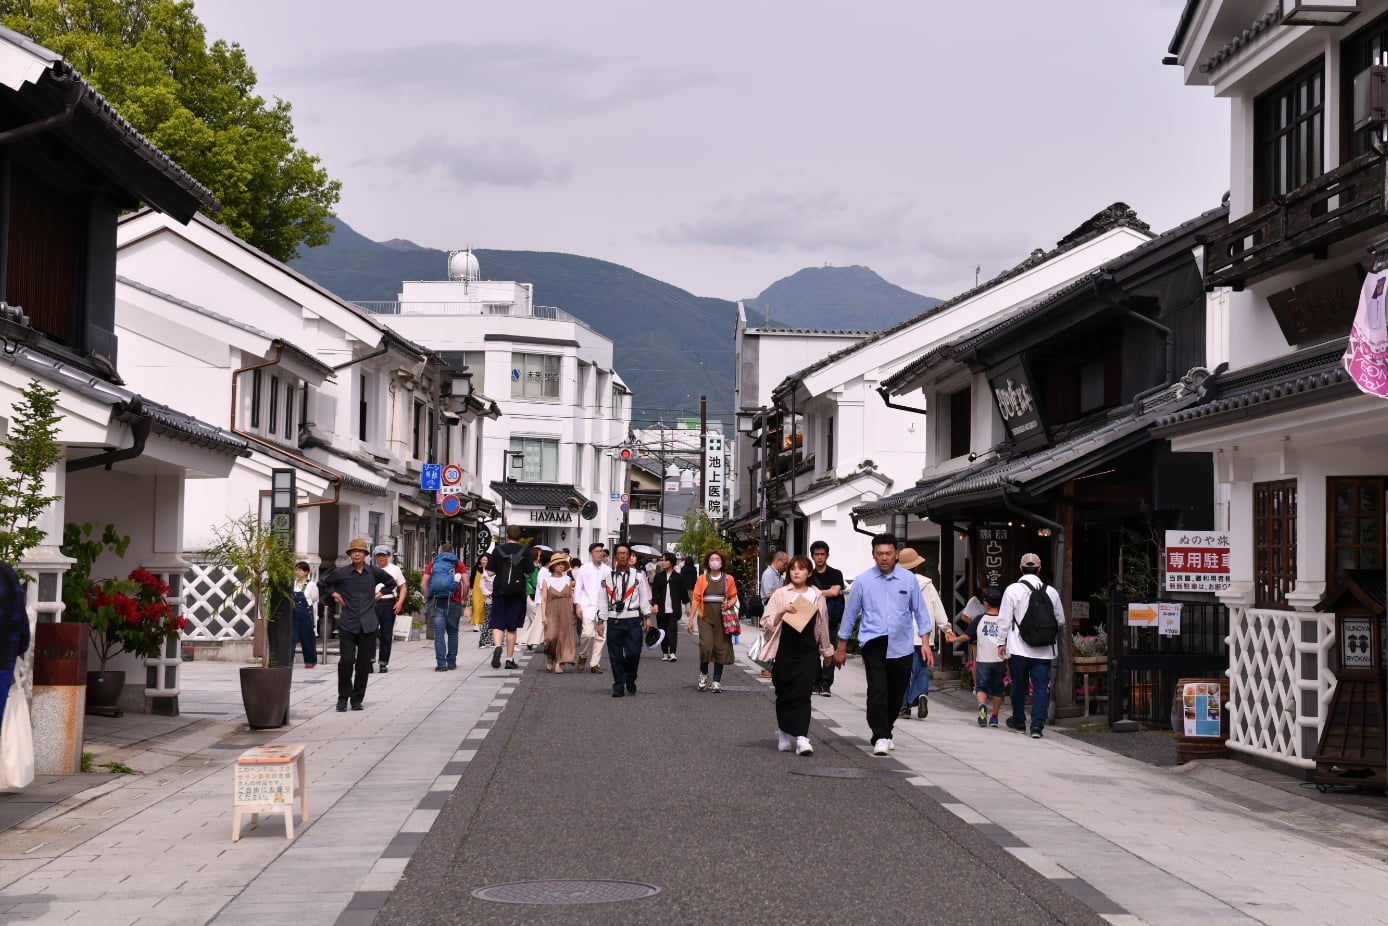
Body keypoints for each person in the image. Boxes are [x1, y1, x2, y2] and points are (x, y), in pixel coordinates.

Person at [833, 533, 932, 756]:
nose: (884, 558)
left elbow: (920, 611)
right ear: (873, 555)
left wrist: (925, 642)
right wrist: (841, 647)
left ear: (896, 554)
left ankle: (886, 730)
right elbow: (850, 614)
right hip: (873, 641)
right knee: (877, 690)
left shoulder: (908, 580)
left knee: (896, 692)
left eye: (888, 553)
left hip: (902, 643)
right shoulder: (863, 581)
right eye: (880, 554)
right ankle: (880, 735)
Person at [761, 555, 834, 756]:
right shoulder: (781, 593)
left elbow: (822, 626)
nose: (796, 572)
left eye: (801, 569)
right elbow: (765, 622)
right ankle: (784, 733)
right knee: (784, 692)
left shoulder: (817, 595)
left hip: (808, 651)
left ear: (809, 573)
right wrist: (781, 612)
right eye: (792, 568)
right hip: (785, 649)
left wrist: (827, 652)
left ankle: (802, 737)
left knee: (803, 693)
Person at [319, 537, 398, 712]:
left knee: (363, 664)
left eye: (360, 551)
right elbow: (322, 583)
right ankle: (342, 697)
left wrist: (380, 594)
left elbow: (391, 583)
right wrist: (336, 595)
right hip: (348, 623)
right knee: (346, 660)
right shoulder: (342, 573)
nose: (357, 554)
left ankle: (357, 699)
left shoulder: (374, 572)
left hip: (369, 623)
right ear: (350, 554)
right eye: (354, 551)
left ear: (365, 554)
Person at [999, 552, 1064, 739]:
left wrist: (1000, 642)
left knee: (1019, 685)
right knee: (1041, 687)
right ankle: (1037, 727)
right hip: (1043, 650)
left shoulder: (1012, 590)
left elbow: (1004, 620)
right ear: (1039, 568)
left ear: (1021, 568)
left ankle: (1019, 722)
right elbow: (1060, 619)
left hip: (1018, 647)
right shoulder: (1051, 592)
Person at [896, 547, 948, 720]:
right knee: (921, 669)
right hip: (924, 635)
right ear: (916, 566)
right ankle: (921, 694)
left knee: (902, 672)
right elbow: (937, 607)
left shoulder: (896, 583)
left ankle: (904, 707)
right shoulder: (927, 584)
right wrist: (946, 628)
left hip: (902, 635)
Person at [944, 586, 1005, 727]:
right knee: (997, 689)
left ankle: (982, 705)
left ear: (986, 603)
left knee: (981, 688)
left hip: (983, 659)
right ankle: (994, 717)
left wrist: (954, 640)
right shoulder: (1004, 620)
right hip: (999, 660)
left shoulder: (979, 619)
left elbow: (967, 636)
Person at [602, 542, 653, 697]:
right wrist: (600, 620)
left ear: (630, 556)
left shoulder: (638, 576)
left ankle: (630, 678)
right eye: (620, 553)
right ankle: (618, 685)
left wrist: (647, 616)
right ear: (615, 557)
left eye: (625, 553)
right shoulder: (608, 577)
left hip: (632, 620)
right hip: (614, 620)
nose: (622, 556)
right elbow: (602, 600)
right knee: (615, 655)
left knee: (633, 653)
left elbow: (644, 598)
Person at [688, 549, 739, 693]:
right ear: (708, 563)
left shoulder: (728, 579)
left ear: (722, 562)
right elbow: (696, 599)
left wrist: (729, 604)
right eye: (712, 559)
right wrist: (691, 618)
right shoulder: (702, 579)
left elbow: (734, 596)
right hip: (705, 616)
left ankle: (716, 680)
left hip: (722, 616)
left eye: (717, 559)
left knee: (720, 647)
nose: (714, 561)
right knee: (706, 646)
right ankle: (703, 674)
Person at [487, 525, 534, 670]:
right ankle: (509, 659)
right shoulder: (525, 551)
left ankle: (496, 646)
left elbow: (489, 573)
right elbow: (530, 572)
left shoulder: (498, 550)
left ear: (507, 535)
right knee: (512, 627)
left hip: (499, 592)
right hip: (517, 593)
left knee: (497, 623)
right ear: (519, 536)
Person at [421, 543, 470, 671]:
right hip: (454, 601)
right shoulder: (458, 564)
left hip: (436, 601)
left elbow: (423, 584)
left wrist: (428, 598)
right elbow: (466, 583)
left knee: (439, 634)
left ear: (440, 552)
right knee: (453, 632)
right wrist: (463, 598)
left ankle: (441, 664)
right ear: (453, 552)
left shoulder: (433, 564)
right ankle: (452, 662)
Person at [808, 540, 845, 697]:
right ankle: (815, 683)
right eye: (817, 554)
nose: (820, 557)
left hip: (831, 618)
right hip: (812, 618)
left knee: (828, 650)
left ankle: (826, 684)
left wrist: (816, 593)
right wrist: (825, 592)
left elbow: (835, 592)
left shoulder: (835, 574)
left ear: (827, 556)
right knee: (813, 652)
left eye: (822, 554)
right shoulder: (809, 574)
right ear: (812, 556)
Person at [573, 542, 610, 674]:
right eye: (597, 551)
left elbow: (610, 590)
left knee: (600, 636)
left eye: (601, 551)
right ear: (591, 553)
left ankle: (595, 663)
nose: (600, 554)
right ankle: (583, 655)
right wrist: (577, 604)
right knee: (587, 634)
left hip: (603, 607)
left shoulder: (607, 570)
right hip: (587, 606)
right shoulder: (584, 569)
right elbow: (578, 587)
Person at [371, 545, 407, 674]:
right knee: (370, 633)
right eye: (379, 555)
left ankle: (383, 663)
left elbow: (403, 587)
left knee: (386, 634)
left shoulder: (395, 569)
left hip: (388, 603)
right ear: (375, 556)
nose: (381, 557)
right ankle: (370, 660)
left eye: (384, 555)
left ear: (388, 556)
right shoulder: (371, 569)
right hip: (372, 604)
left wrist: (400, 603)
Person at [540, 553, 578, 672]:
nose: (561, 566)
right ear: (552, 566)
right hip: (551, 610)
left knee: (563, 636)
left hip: (566, 610)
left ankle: (558, 663)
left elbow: (570, 597)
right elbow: (544, 599)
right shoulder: (547, 579)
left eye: (562, 563)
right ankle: (550, 656)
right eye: (558, 564)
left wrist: (572, 612)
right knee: (551, 636)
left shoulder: (568, 579)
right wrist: (543, 615)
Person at [649, 551, 689, 662]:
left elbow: (683, 593)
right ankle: (665, 652)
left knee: (672, 630)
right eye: (662, 560)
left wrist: (687, 606)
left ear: (671, 562)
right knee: (663, 631)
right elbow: (655, 593)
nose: (663, 562)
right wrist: (655, 604)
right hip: (661, 609)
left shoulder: (678, 577)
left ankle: (672, 652)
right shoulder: (658, 577)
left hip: (673, 609)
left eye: (665, 560)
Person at [757, 550, 788, 678]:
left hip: (776, 611)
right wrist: (782, 593)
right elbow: (768, 594)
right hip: (770, 611)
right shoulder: (769, 574)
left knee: (773, 639)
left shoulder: (777, 575)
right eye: (784, 563)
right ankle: (767, 667)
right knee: (770, 640)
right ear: (777, 561)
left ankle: (770, 667)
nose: (785, 566)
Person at [516, 547, 548, 652]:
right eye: (539, 554)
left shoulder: (533, 567)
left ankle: (523, 639)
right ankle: (529, 640)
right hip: (533, 596)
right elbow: (535, 584)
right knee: (537, 620)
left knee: (530, 620)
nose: (540, 556)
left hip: (530, 595)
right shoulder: (534, 569)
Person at [291, 561, 319, 669]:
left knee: (307, 638)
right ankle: (288, 661)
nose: (297, 572)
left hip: (305, 615)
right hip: (294, 614)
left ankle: (310, 661)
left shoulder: (311, 584)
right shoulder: (292, 583)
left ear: (306, 572)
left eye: (300, 570)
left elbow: (314, 598)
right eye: (296, 569)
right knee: (291, 638)